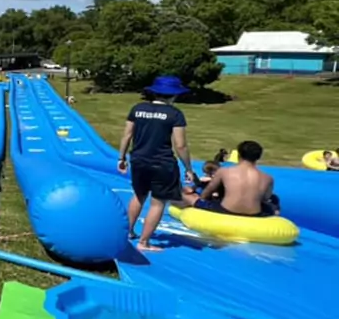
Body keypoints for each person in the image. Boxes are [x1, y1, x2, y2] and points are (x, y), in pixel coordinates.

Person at [117, 76, 197, 252]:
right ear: (173, 95)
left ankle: (128, 232)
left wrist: (121, 158)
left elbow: (127, 135)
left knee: (138, 195)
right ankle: (144, 242)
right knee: (158, 203)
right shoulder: (175, 114)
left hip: (138, 159)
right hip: (162, 162)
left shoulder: (137, 109)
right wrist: (188, 168)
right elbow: (180, 145)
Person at [183, 141, 279, 216]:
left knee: (187, 196)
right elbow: (265, 199)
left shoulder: (225, 171)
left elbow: (206, 194)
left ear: (239, 155)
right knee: (274, 200)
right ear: (258, 157)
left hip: (225, 211)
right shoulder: (267, 178)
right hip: (254, 214)